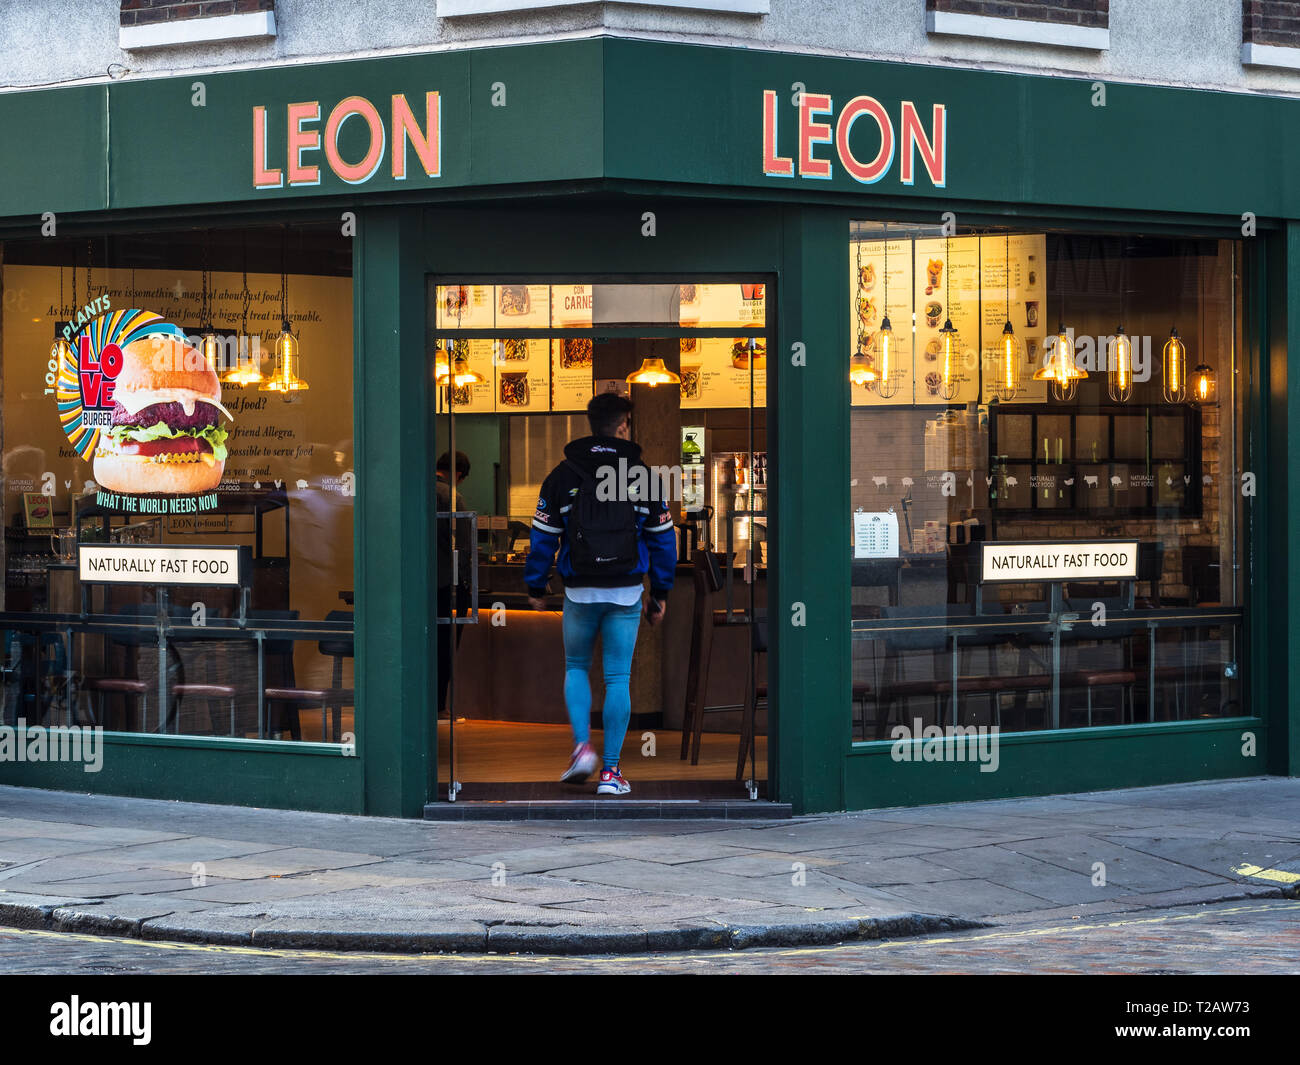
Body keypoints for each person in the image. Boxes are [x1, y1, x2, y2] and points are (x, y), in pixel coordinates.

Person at [525, 392, 676, 795]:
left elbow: (542, 538)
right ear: (624, 423)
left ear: (591, 424)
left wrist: (535, 586)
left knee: (576, 666)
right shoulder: (644, 476)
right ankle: (610, 773)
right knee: (617, 678)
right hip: (626, 593)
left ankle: (581, 750)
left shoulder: (562, 475)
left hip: (579, 592)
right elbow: (664, 543)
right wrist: (659, 594)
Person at [435, 451, 472, 719]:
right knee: (444, 648)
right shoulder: (452, 497)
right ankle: (439, 706)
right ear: (458, 474)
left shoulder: (412, 489)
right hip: (445, 585)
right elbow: (463, 548)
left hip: (416, 587)